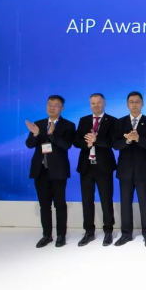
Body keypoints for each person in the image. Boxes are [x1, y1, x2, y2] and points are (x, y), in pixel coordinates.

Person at [25, 95, 75, 248]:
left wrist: (52, 135)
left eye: (55, 105)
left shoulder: (68, 125)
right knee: (44, 205)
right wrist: (35, 134)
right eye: (49, 104)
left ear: (62, 108)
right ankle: (46, 235)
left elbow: (67, 145)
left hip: (58, 171)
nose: (52, 107)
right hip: (41, 171)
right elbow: (29, 145)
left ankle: (61, 235)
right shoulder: (39, 124)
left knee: (60, 205)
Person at [112, 91, 146, 247]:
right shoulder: (120, 122)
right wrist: (127, 141)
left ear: (142, 103)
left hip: (143, 170)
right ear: (127, 104)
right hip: (124, 170)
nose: (134, 104)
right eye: (131, 102)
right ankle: (126, 234)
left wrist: (138, 139)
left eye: (137, 101)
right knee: (125, 204)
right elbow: (115, 144)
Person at [73, 93, 117, 247]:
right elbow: (76, 141)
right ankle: (89, 232)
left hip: (104, 167)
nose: (96, 105)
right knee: (87, 201)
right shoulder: (84, 120)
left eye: (98, 103)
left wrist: (96, 140)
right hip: (86, 167)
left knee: (106, 200)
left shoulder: (112, 121)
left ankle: (108, 231)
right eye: (93, 103)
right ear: (90, 104)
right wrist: (87, 143)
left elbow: (113, 142)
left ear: (104, 103)